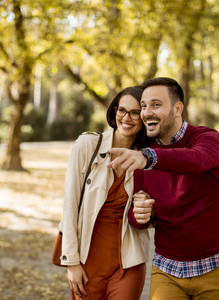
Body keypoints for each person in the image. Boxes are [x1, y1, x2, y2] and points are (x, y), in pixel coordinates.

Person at [107, 77, 219, 299]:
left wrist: (149, 157)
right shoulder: (144, 155)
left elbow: (196, 160)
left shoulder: (207, 139)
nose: (148, 112)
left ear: (178, 109)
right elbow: (137, 216)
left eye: (156, 105)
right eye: (145, 106)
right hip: (167, 268)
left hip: (216, 264)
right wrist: (140, 214)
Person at [59, 86, 153, 300]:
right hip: (87, 259)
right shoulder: (87, 145)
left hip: (129, 262)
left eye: (136, 112)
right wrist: (72, 262)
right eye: (122, 110)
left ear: (144, 117)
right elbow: (70, 205)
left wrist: (147, 206)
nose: (127, 118)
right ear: (114, 111)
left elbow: (156, 211)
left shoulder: (147, 159)